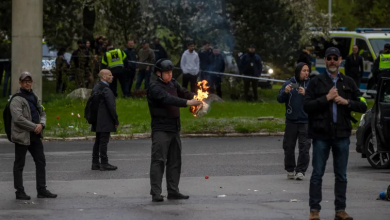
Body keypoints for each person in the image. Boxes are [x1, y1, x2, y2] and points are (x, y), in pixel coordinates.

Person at [304, 47, 367, 220]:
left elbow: (362, 104)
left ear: (340, 61)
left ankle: (340, 210)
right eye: (329, 58)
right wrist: (327, 98)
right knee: (317, 174)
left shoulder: (348, 81)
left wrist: (346, 101)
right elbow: (306, 105)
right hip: (321, 134)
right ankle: (314, 210)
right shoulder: (316, 81)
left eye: (335, 58)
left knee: (341, 175)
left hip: (342, 134)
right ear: (325, 60)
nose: (332, 61)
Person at [147, 59, 202, 202]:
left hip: (174, 128)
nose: (169, 75)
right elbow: (168, 99)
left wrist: (196, 97)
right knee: (159, 161)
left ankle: (173, 191)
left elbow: (182, 92)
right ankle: (156, 193)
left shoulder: (172, 83)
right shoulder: (154, 87)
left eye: (171, 72)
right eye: (166, 73)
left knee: (175, 161)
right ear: (159, 73)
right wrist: (188, 103)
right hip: (161, 129)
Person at [10, 71, 57, 200]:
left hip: (35, 135)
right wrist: (34, 126)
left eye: (29, 81)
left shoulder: (34, 96)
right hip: (22, 136)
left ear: (31, 82)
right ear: (20, 83)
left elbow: (42, 112)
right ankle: (19, 192)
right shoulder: (16, 99)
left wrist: (41, 124)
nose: (27, 83)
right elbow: (18, 119)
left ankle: (41, 190)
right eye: (24, 81)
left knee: (41, 162)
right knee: (19, 164)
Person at [277, 62, 311, 180]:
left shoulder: (311, 84)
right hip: (291, 120)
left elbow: (318, 99)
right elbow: (279, 99)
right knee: (288, 146)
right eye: (304, 71)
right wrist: (285, 92)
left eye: (307, 70)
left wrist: (306, 93)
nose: (306, 73)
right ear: (298, 72)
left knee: (304, 147)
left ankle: (301, 171)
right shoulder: (289, 83)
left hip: (306, 121)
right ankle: (290, 169)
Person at [91, 69, 119, 171]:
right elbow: (111, 106)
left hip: (97, 119)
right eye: (110, 75)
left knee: (98, 141)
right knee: (103, 141)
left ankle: (95, 163)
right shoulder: (106, 90)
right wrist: (116, 119)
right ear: (103, 77)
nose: (112, 77)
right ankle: (104, 163)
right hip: (105, 119)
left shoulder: (96, 88)